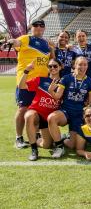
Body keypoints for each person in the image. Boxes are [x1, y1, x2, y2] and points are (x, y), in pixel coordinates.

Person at [7, 19, 53, 149]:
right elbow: (17, 42)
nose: (38, 28)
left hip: (41, 83)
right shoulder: (26, 38)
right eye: (35, 26)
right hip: (26, 82)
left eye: (41, 26)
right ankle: (18, 137)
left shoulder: (45, 43)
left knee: (37, 111)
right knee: (23, 110)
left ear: (44, 28)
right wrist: (12, 41)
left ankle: (36, 135)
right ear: (31, 28)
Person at [47, 56, 91, 158]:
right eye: (80, 64)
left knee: (73, 145)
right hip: (66, 111)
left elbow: (90, 103)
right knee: (52, 118)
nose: (82, 67)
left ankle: (63, 139)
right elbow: (57, 96)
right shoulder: (66, 78)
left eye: (85, 64)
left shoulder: (90, 82)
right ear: (75, 65)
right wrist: (50, 91)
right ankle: (59, 147)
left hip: (78, 115)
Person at [19, 59, 62, 161]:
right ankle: (34, 150)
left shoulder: (65, 82)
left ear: (60, 67)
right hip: (36, 113)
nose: (52, 68)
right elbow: (21, 86)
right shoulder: (40, 80)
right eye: (50, 66)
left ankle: (34, 140)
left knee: (47, 145)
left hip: (51, 118)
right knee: (29, 116)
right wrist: (26, 71)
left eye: (55, 66)